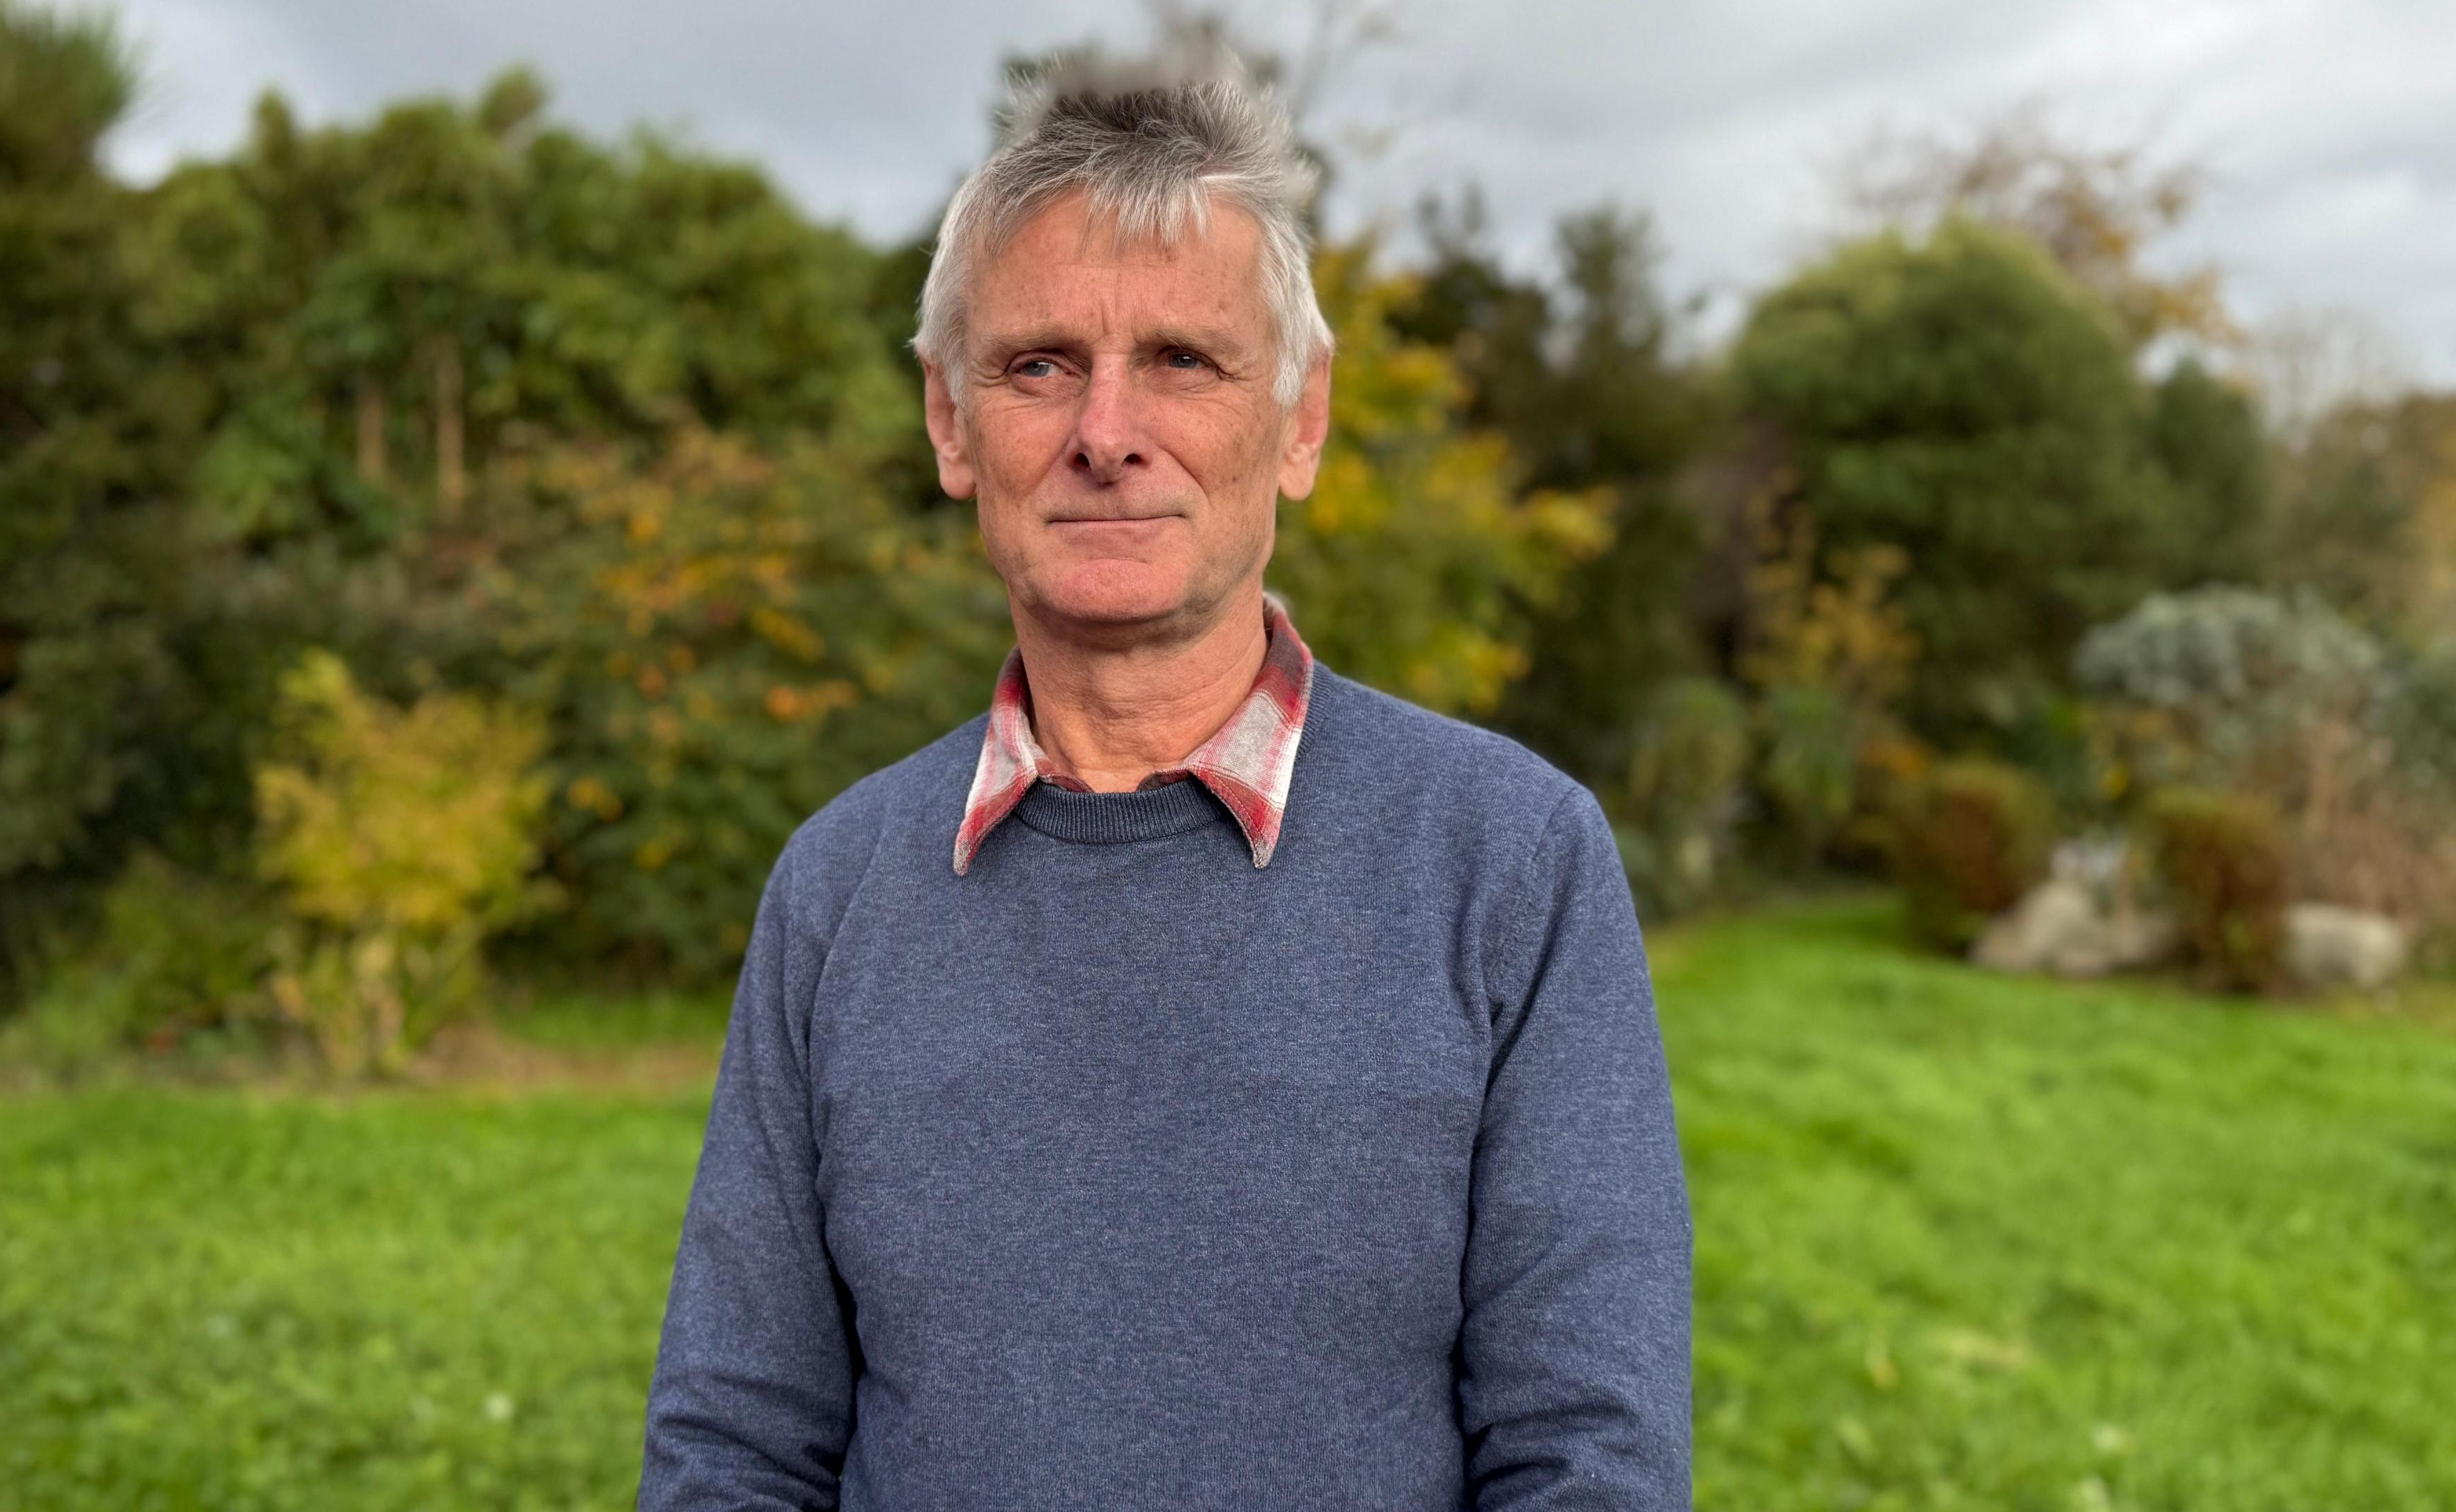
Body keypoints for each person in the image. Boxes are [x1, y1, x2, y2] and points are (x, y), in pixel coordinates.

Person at [637, 50, 1691, 1512]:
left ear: (1302, 419)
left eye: (1184, 362)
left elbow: (1592, 1462)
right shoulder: (838, 886)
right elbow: (733, 1450)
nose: (1106, 432)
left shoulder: (1510, 863)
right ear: (952, 422)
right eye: (1038, 364)